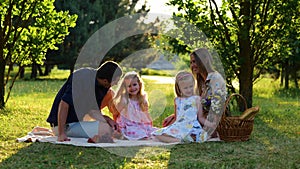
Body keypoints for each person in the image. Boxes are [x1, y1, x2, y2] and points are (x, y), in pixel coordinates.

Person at [46, 61, 123, 142]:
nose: (116, 84)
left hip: (77, 123)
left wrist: (108, 120)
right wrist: (61, 133)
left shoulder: (103, 87)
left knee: (108, 127)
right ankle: (60, 132)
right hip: (63, 126)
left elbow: (93, 111)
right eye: (116, 81)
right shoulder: (81, 77)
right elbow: (64, 104)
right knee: (106, 129)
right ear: (105, 80)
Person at [163, 48, 227, 140]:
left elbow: (218, 106)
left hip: (211, 117)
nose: (192, 65)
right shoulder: (199, 80)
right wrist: (174, 115)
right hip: (199, 114)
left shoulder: (215, 78)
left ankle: (193, 135)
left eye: (194, 62)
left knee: (177, 126)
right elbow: (191, 103)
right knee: (170, 123)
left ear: (203, 61)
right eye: (191, 62)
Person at [152, 71, 209, 143]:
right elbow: (177, 118)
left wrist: (210, 124)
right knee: (157, 134)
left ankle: (187, 138)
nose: (189, 90)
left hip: (191, 126)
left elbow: (200, 117)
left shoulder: (196, 99)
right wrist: (170, 128)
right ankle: (179, 140)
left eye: (191, 86)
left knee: (199, 135)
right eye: (185, 88)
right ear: (179, 88)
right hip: (180, 125)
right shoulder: (177, 100)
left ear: (194, 85)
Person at [111, 71, 157, 140]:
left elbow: (146, 113)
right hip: (128, 125)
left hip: (141, 124)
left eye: (134, 84)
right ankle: (125, 136)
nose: (132, 88)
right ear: (125, 88)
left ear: (139, 84)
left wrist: (149, 124)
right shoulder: (125, 99)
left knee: (155, 132)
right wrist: (118, 127)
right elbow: (116, 114)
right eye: (129, 86)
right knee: (141, 134)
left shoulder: (142, 98)